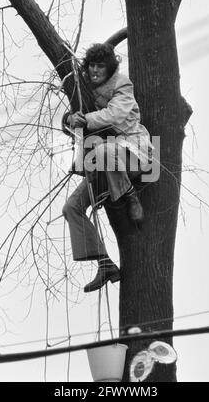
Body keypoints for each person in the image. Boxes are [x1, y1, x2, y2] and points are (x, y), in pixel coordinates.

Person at [62, 43, 153, 293]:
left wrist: (84, 119)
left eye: (100, 65)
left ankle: (130, 196)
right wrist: (69, 120)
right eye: (91, 65)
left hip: (131, 152)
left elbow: (114, 115)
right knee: (71, 207)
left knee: (103, 150)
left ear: (110, 67)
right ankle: (105, 264)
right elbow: (74, 118)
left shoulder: (122, 84)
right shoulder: (85, 91)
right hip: (103, 165)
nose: (94, 70)